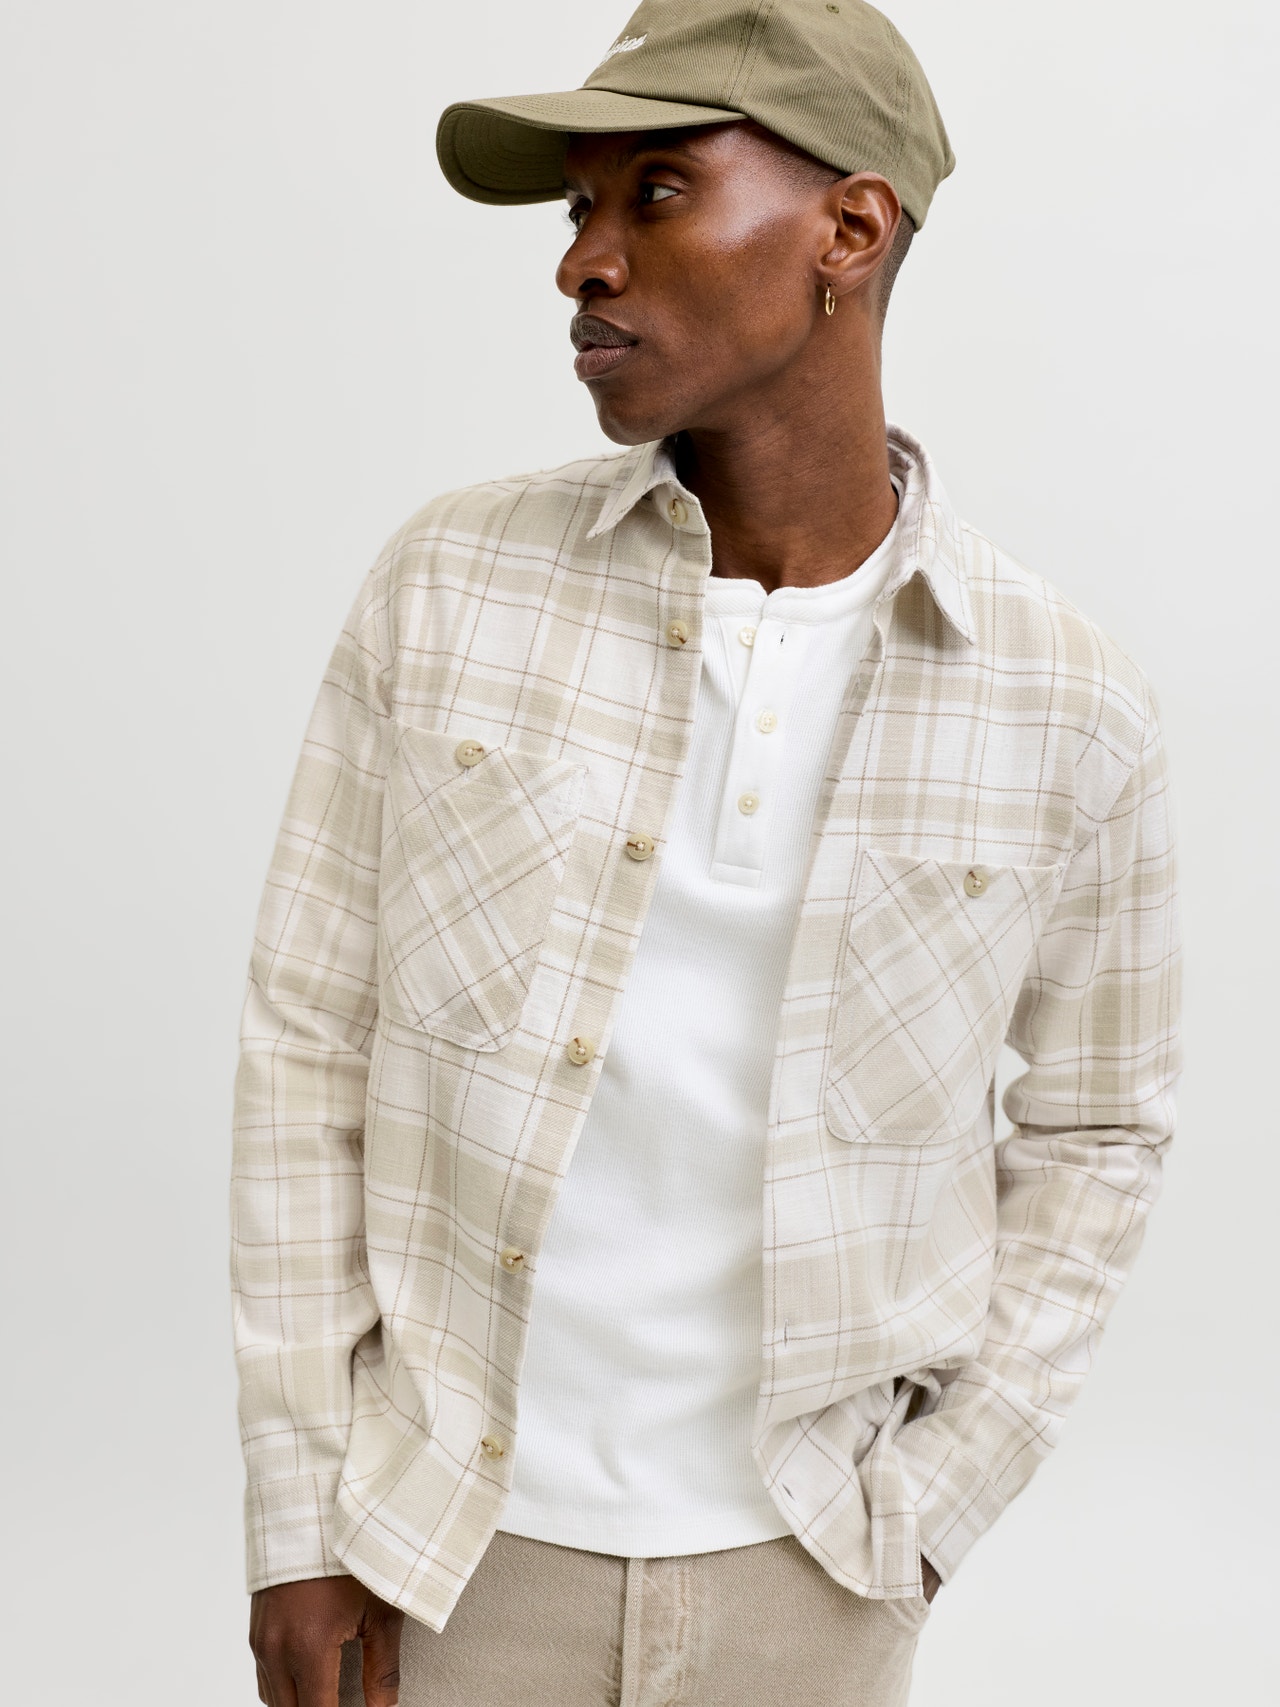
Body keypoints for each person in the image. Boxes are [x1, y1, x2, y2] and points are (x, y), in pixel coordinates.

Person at [232, 2, 1182, 1703]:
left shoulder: (1063, 697)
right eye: (576, 210)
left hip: (813, 1581)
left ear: (850, 230)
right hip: (448, 1556)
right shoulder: (450, 588)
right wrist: (301, 1523)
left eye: (655, 193)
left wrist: (929, 1511)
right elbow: (310, 1047)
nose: (581, 262)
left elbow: (1100, 1130)